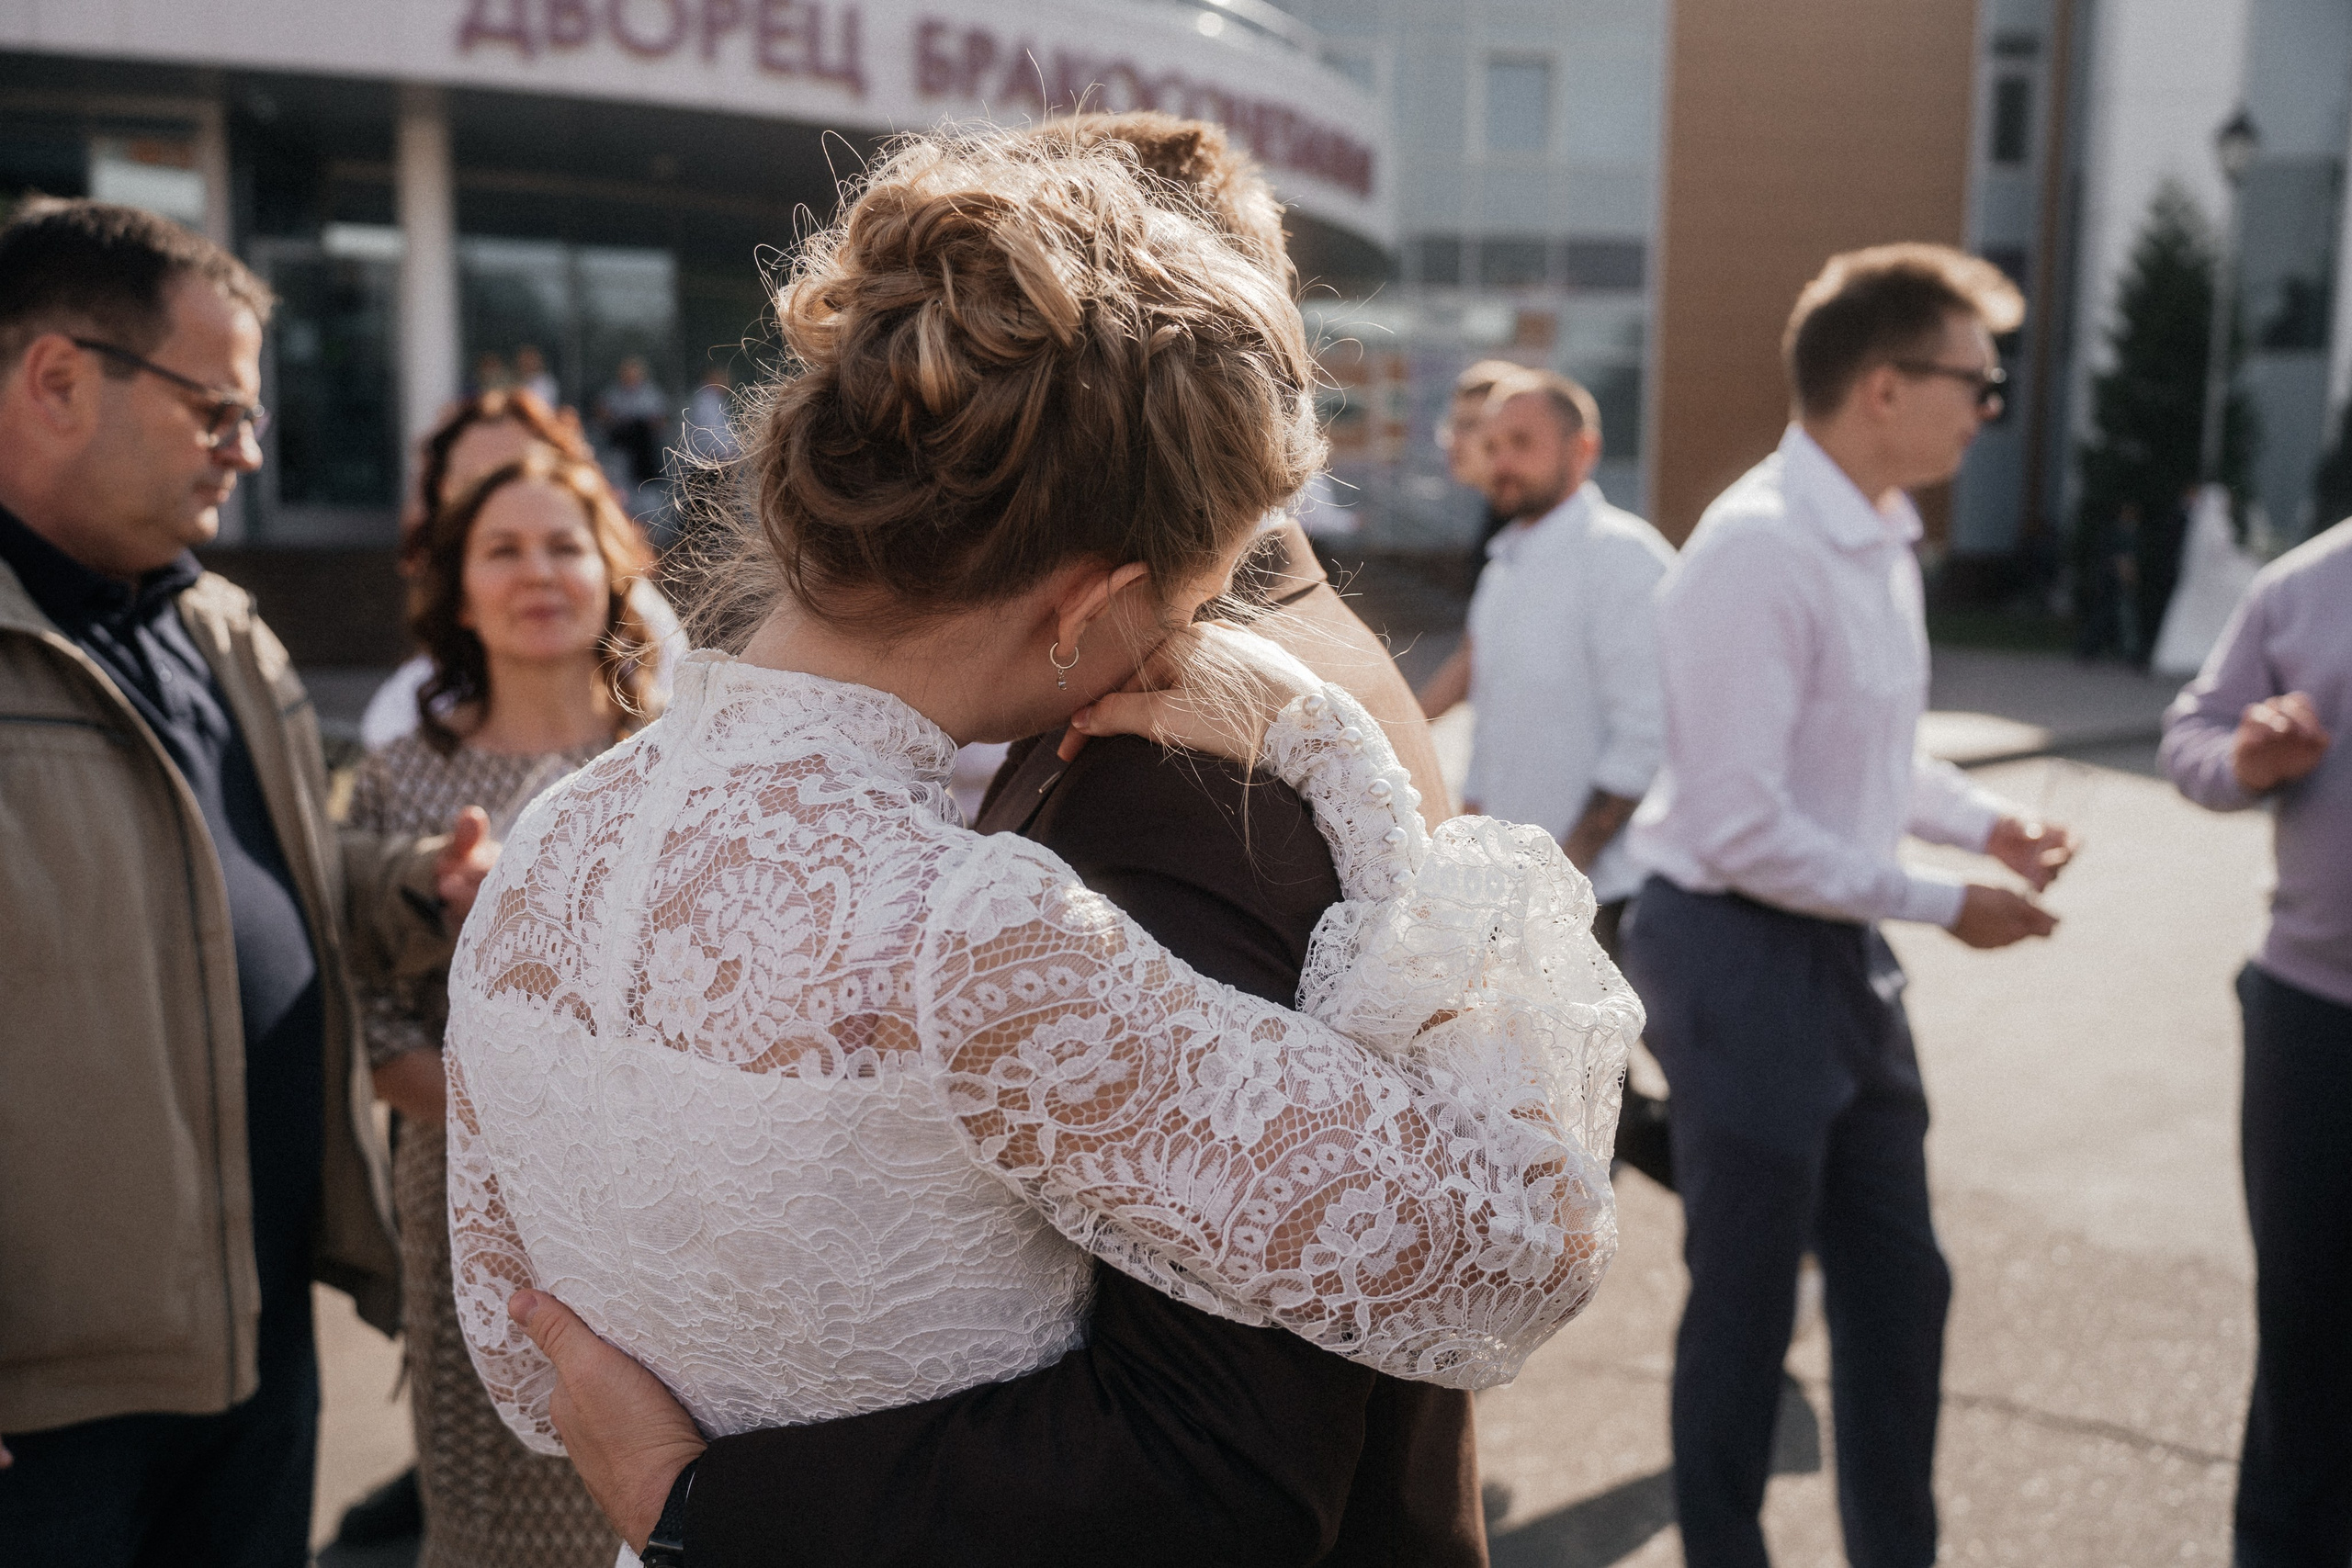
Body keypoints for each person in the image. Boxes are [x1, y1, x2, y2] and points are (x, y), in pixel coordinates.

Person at [444, 133, 1638, 1562]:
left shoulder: (546, 846)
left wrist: (692, 1492)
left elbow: (524, 1354)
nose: (1185, 649)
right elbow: (1522, 1240)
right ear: (1087, 602)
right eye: (1186, 609)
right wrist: (1322, 739)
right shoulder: (970, 935)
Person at [0, 198, 493, 1564]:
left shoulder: (219, 626)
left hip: (258, 1344)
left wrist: (415, 888)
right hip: (45, 1412)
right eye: (217, 411)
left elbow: (249, 882)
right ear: (58, 379)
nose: (250, 451)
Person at [1620, 243, 2077, 1568]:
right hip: (1737, 949)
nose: (1987, 407)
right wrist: (1943, 897)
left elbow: (1866, 753)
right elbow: (1743, 826)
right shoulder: (1756, 549)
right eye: (1974, 381)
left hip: (1837, 950)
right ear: (1883, 385)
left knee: (1899, 1287)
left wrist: (1982, 821)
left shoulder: (1880, 537)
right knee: (1749, 1302)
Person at [348, 452, 658, 1568]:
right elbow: (370, 1016)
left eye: (563, 545)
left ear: (610, 573)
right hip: (467, 1193)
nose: (537, 572)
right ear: (460, 590)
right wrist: (513, 1120)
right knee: (487, 1504)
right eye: (502, 549)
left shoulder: (672, 760)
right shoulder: (396, 780)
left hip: (659, 1188)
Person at [1418, 367, 1676, 1187]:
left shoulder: (1621, 558)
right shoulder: (1506, 564)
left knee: (1672, 1093)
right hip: (1526, 893)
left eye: (1522, 443)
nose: (1502, 462)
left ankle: (1783, 1226)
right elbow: (1498, 726)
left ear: (1583, 449)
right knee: (1567, 1102)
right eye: (1493, 444)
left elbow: (1649, 732)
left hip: (1616, 889)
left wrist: (1575, 867)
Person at [2158, 517, 2350, 1568]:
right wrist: (2245, 758)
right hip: (2314, 1017)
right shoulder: (2301, 586)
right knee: (2306, 1328)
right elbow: (2189, 738)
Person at [358, 388, 684, 751]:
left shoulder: (640, 621)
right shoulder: (402, 727)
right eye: (478, 483)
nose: (538, 575)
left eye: (521, 471)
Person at [1441, 359, 1521, 578]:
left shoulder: (1533, 523)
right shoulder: (1497, 515)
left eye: (1469, 425)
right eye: (1452, 424)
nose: (1453, 440)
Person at [594, 355, 668, 491]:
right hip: (620, 451)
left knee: (646, 493)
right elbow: (601, 416)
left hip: (645, 455)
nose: (630, 377)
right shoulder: (613, 394)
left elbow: (661, 422)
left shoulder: (651, 395)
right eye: (627, 374)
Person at [514, 343, 560, 409]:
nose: (525, 362)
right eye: (523, 358)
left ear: (539, 359)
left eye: (530, 358)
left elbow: (536, 408)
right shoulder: (521, 380)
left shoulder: (546, 383)